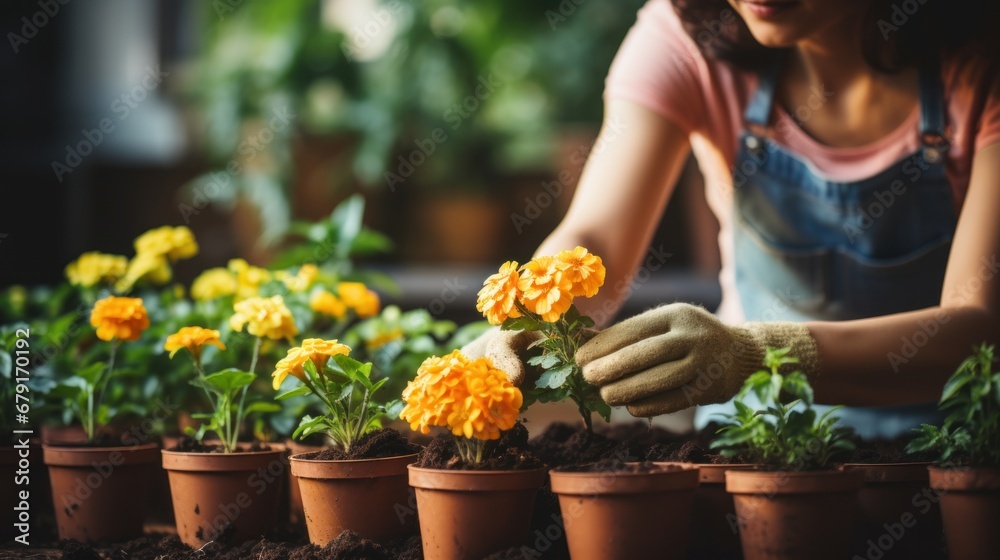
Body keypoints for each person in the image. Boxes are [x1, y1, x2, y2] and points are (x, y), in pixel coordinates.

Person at [465, 0, 1000, 438]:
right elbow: (599, 237)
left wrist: (754, 354)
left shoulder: (981, 65)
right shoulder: (685, 37)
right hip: (751, 438)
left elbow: (981, 325)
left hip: (951, 444)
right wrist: (536, 321)